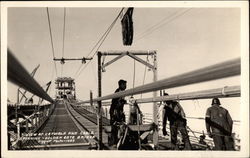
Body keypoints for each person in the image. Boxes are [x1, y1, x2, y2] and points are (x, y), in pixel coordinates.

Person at [109, 79, 127, 147]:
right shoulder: (118, 91)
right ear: (121, 85)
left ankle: (118, 142)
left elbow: (120, 101)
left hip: (118, 111)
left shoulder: (122, 91)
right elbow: (116, 103)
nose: (125, 86)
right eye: (124, 84)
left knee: (119, 126)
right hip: (115, 111)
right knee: (115, 127)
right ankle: (114, 142)